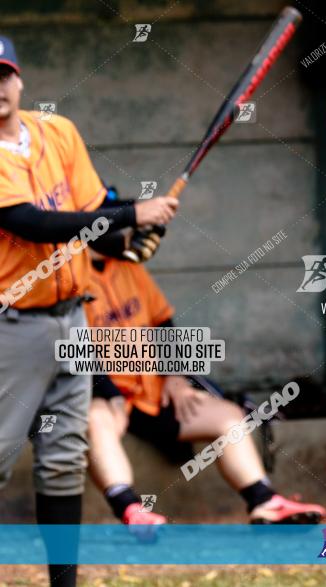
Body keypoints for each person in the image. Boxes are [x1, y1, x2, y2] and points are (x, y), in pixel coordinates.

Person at [0, 35, 178, 587]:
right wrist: (131, 213)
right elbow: (30, 223)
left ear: (19, 78)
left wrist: (125, 237)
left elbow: (91, 214)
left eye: (2, 74)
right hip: (11, 328)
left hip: (71, 320)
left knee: (64, 459)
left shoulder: (59, 132)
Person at [84, 250, 326, 525]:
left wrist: (175, 377)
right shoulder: (69, 272)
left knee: (228, 416)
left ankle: (263, 501)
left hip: (152, 393)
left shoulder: (128, 266)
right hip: (102, 393)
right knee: (95, 418)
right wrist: (110, 396)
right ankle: (130, 510)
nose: (129, 234)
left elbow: (163, 324)